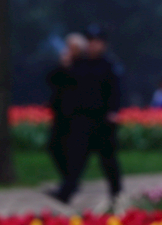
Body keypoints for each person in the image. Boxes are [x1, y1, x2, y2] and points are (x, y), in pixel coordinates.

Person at [50, 25, 123, 208]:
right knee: (75, 157)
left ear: (103, 45)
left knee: (108, 160)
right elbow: (56, 83)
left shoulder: (109, 66)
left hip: (103, 120)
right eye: (90, 42)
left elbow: (116, 91)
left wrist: (114, 112)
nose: (93, 46)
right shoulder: (76, 63)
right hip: (81, 120)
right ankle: (66, 192)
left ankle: (116, 192)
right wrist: (63, 65)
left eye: (97, 43)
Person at [46, 34, 86, 177]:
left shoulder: (84, 66)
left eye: (73, 48)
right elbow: (51, 80)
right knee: (55, 146)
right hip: (61, 113)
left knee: (74, 148)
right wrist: (63, 66)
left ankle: (71, 180)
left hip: (78, 115)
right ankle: (68, 178)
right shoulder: (63, 66)